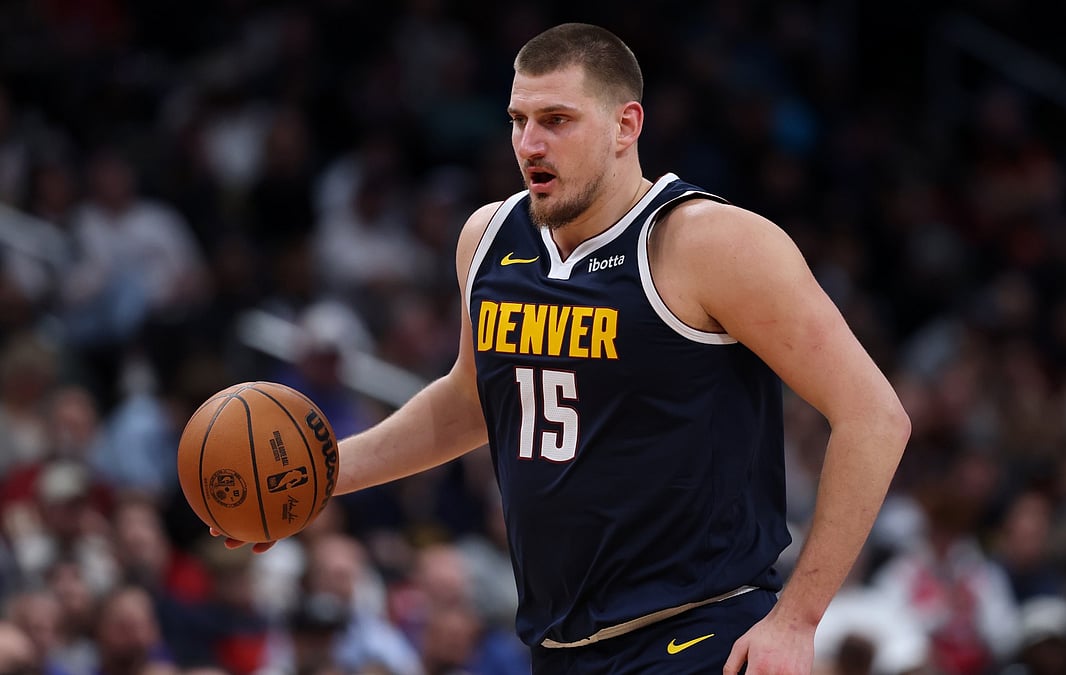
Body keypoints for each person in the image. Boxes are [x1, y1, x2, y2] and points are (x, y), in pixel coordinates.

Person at [216, 22, 910, 674]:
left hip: (701, 632)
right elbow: (472, 400)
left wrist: (799, 617)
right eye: (519, 121)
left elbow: (874, 415)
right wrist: (321, 474)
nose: (529, 144)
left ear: (625, 126)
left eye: (556, 120)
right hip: (557, 645)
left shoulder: (710, 242)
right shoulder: (487, 238)